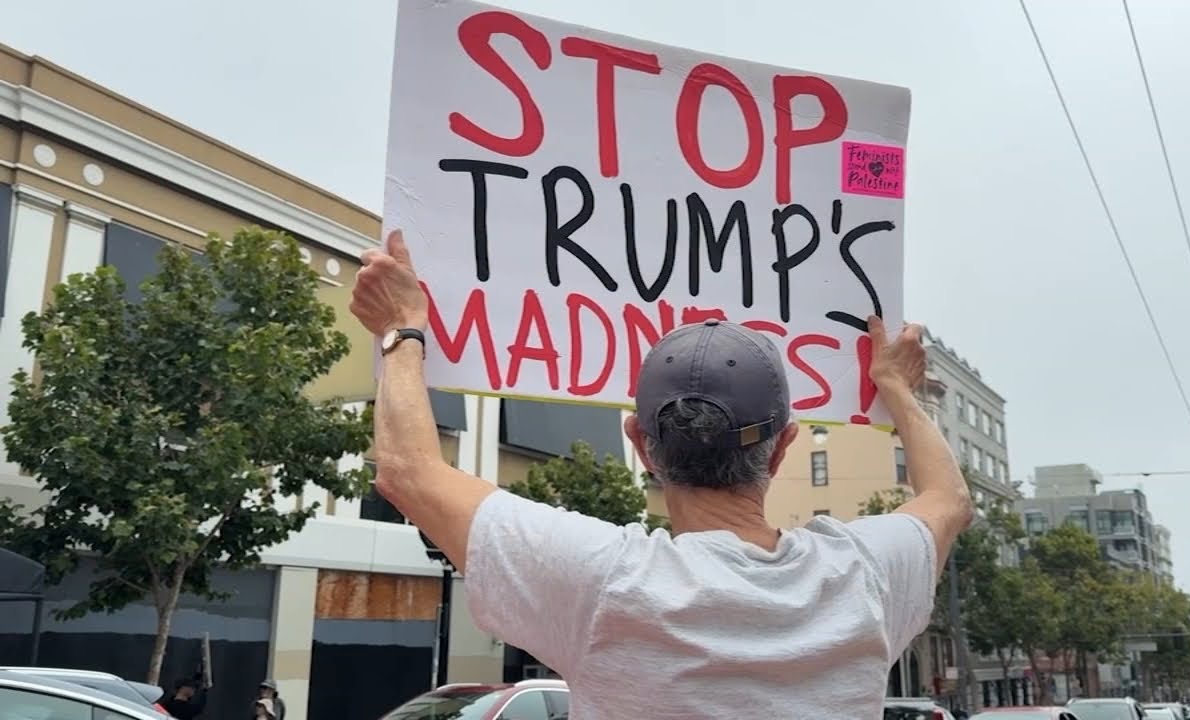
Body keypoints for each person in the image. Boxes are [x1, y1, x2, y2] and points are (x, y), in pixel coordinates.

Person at [350, 231, 972, 718]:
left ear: (643, 448)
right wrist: (896, 386)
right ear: (782, 448)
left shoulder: (608, 584)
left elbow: (407, 471)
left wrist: (401, 327)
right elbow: (948, 499)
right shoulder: (863, 576)